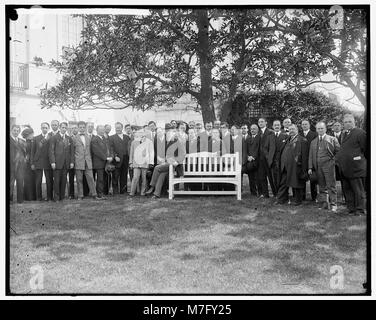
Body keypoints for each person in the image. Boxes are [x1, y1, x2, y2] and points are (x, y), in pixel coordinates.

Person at [336, 114, 367, 215]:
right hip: (344, 168)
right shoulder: (343, 134)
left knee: (358, 190)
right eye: (345, 122)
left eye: (350, 121)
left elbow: (366, 150)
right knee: (347, 189)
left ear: (354, 122)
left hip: (356, 167)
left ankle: (360, 209)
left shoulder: (360, 133)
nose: (347, 124)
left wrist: (358, 159)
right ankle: (351, 208)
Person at [146, 124, 185, 198]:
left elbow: (183, 153)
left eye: (169, 130)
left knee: (157, 168)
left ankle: (152, 186)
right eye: (166, 130)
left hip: (175, 165)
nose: (167, 132)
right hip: (168, 164)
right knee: (161, 174)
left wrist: (177, 162)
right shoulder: (167, 140)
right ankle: (156, 194)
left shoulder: (177, 139)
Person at [308, 122, 340, 212]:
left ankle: (334, 204)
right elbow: (310, 155)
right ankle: (324, 204)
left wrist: (333, 161)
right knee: (321, 186)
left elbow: (339, 152)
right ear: (316, 130)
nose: (320, 130)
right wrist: (310, 167)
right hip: (318, 166)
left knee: (331, 185)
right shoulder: (313, 141)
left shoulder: (332, 139)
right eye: (318, 128)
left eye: (322, 128)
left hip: (329, 166)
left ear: (325, 129)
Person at [276, 124, 309, 206]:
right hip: (285, 167)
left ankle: (298, 201)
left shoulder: (302, 140)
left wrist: (304, 169)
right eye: (290, 129)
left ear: (297, 130)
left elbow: (305, 157)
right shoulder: (287, 139)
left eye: (293, 129)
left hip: (296, 167)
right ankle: (281, 200)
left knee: (296, 184)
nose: (291, 131)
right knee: (283, 183)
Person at [71, 121, 100, 200]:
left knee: (91, 178)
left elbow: (91, 150)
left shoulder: (89, 137)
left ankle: (94, 194)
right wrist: (73, 162)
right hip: (78, 161)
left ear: (85, 127)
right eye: (80, 127)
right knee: (79, 179)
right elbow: (72, 151)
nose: (82, 129)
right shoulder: (74, 138)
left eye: (84, 127)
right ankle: (80, 195)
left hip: (88, 161)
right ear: (78, 128)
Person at [49, 122, 74, 201]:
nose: (64, 129)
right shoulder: (54, 137)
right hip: (57, 163)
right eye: (62, 127)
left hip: (66, 163)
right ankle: (56, 197)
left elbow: (71, 151)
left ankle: (62, 197)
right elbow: (51, 151)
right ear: (59, 128)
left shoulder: (69, 138)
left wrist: (72, 162)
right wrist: (52, 162)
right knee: (56, 181)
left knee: (63, 180)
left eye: (65, 128)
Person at [31, 122, 53, 201]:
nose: (44, 129)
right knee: (38, 181)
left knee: (49, 180)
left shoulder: (51, 138)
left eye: (46, 127)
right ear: (41, 128)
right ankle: (39, 197)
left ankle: (49, 197)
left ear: (48, 128)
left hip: (47, 162)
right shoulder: (36, 138)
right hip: (38, 162)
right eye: (43, 127)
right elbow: (32, 152)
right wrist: (32, 163)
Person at [129, 130, 154, 196]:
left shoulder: (149, 142)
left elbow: (151, 153)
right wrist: (130, 162)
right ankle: (132, 192)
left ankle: (142, 192)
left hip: (145, 162)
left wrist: (151, 162)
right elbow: (131, 153)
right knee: (135, 177)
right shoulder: (134, 142)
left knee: (144, 178)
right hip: (136, 163)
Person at [91, 125, 113, 199]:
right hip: (99, 163)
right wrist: (106, 158)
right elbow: (96, 151)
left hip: (105, 162)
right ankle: (99, 194)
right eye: (100, 130)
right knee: (100, 179)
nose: (102, 131)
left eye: (103, 130)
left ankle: (102, 192)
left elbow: (108, 149)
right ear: (97, 130)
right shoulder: (94, 139)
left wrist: (110, 157)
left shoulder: (104, 138)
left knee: (103, 178)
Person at [109, 122, 131, 194]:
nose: (117, 129)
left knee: (124, 175)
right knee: (115, 175)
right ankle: (115, 191)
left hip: (125, 159)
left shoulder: (127, 137)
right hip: (117, 159)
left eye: (119, 127)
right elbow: (111, 148)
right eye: (116, 127)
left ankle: (123, 190)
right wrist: (115, 156)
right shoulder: (111, 137)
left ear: (122, 128)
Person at [257, 117, 276, 198]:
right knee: (262, 177)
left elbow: (272, 147)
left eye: (262, 122)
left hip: (268, 158)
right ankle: (265, 194)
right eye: (259, 122)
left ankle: (275, 193)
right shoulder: (258, 133)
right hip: (260, 159)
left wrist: (270, 158)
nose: (260, 123)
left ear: (266, 123)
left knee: (271, 177)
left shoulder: (270, 132)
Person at [301, 119, 318, 202]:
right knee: (302, 178)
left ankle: (314, 197)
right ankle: (303, 196)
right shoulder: (299, 134)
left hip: (312, 159)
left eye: (306, 124)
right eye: (303, 124)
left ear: (309, 125)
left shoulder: (314, 134)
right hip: (302, 160)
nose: (304, 125)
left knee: (313, 179)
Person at [271, 120, 289, 192]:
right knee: (274, 178)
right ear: (272, 126)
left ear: (280, 126)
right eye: (275, 125)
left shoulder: (285, 136)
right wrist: (268, 157)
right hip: (272, 161)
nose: (276, 126)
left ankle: (282, 194)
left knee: (281, 178)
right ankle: (276, 193)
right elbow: (265, 148)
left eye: (278, 125)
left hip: (282, 161)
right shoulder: (270, 136)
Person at [10, 125, 26, 203]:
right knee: (10, 183)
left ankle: (20, 200)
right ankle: (10, 200)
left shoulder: (22, 141)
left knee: (20, 182)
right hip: (11, 166)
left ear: (19, 132)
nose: (16, 132)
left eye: (17, 130)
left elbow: (25, 152)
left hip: (20, 166)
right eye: (14, 130)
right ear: (11, 130)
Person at [244, 124, 260, 196]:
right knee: (251, 177)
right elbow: (245, 150)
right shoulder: (248, 139)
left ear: (257, 130)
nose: (252, 130)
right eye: (251, 129)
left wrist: (254, 157)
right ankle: (253, 193)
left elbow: (260, 149)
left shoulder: (260, 138)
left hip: (257, 160)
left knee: (258, 177)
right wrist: (248, 157)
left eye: (254, 129)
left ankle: (260, 192)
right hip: (249, 160)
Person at [21, 127, 36, 201]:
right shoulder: (27, 143)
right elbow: (27, 154)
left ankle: (29, 197)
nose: (33, 135)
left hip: (29, 163)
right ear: (28, 135)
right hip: (28, 164)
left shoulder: (29, 142)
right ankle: (30, 197)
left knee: (30, 180)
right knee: (29, 180)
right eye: (32, 134)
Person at [68, 123, 78, 199]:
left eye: (75, 128)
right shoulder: (68, 138)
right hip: (71, 161)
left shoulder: (81, 137)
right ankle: (71, 194)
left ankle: (82, 193)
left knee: (80, 179)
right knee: (71, 179)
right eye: (72, 128)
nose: (74, 129)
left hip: (79, 161)